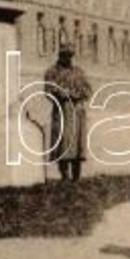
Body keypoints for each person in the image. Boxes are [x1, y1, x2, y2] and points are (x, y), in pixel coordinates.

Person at [43, 46, 92, 182]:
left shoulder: (78, 72)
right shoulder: (52, 72)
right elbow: (47, 91)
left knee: (77, 144)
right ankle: (64, 175)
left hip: (77, 112)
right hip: (62, 111)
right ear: (60, 56)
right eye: (65, 55)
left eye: (70, 55)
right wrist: (60, 94)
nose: (68, 59)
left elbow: (87, 90)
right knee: (62, 143)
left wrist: (77, 94)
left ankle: (76, 177)